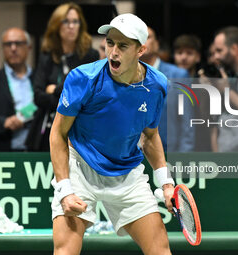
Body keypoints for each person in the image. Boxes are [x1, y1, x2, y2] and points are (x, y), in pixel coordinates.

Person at [49, 13, 174, 255]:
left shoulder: (157, 84)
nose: (113, 52)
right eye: (110, 43)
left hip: (126, 174)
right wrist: (64, 188)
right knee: (65, 251)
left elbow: (149, 136)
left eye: (123, 45)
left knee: (160, 250)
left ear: (141, 50)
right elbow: (58, 133)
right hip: (80, 166)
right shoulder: (84, 78)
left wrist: (166, 184)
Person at [26, 2, 99, 151]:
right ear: (56, 26)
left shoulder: (90, 56)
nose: (71, 26)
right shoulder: (47, 56)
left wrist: (54, 89)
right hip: (46, 128)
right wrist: (66, 97)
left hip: (79, 129)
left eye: (75, 22)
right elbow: (38, 96)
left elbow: (86, 96)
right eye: (66, 21)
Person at [0, 28, 35, 151]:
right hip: (1, 154)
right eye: (8, 44)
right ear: (2, 49)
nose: (13, 48)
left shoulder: (40, 80)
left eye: (18, 43)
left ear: (29, 47)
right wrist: (3, 123)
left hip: (38, 154)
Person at [140, 27, 194, 152]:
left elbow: (187, 122)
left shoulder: (178, 75)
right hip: (133, 157)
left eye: (147, 37)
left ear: (157, 43)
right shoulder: (125, 75)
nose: (143, 41)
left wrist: (183, 160)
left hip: (169, 153)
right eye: (138, 38)